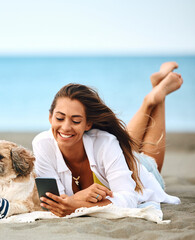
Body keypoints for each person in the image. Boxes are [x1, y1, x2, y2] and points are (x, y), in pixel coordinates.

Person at [32, 62, 183, 217]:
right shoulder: (42, 144)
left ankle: (157, 96)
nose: (66, 127)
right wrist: (80, 197)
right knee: (123, 143)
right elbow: (54, 202)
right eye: (59, 118)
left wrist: (76, 204)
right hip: (118, 155)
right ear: (50, 117)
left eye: (76, 121)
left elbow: (129, 198)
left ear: (88, 124)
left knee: (149, 161)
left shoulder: (105, 142)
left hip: (139, 170)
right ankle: (152, 95)